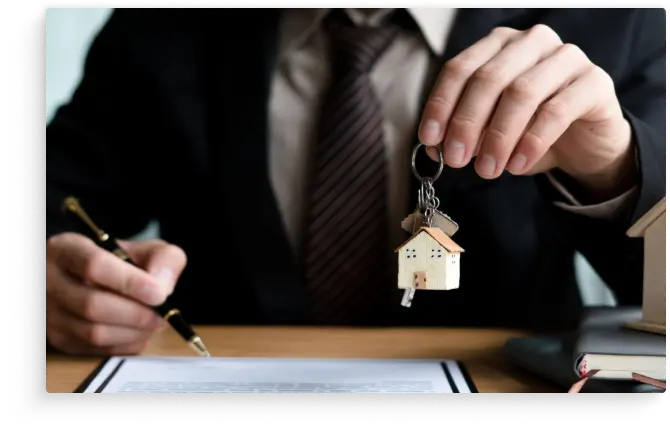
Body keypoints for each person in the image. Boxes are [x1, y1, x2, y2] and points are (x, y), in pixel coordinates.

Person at [45, 7, 665, 356]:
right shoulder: (158, 27)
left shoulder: (613, 23)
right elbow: (49, 201)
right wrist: (47, 281)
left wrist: (615, 169)